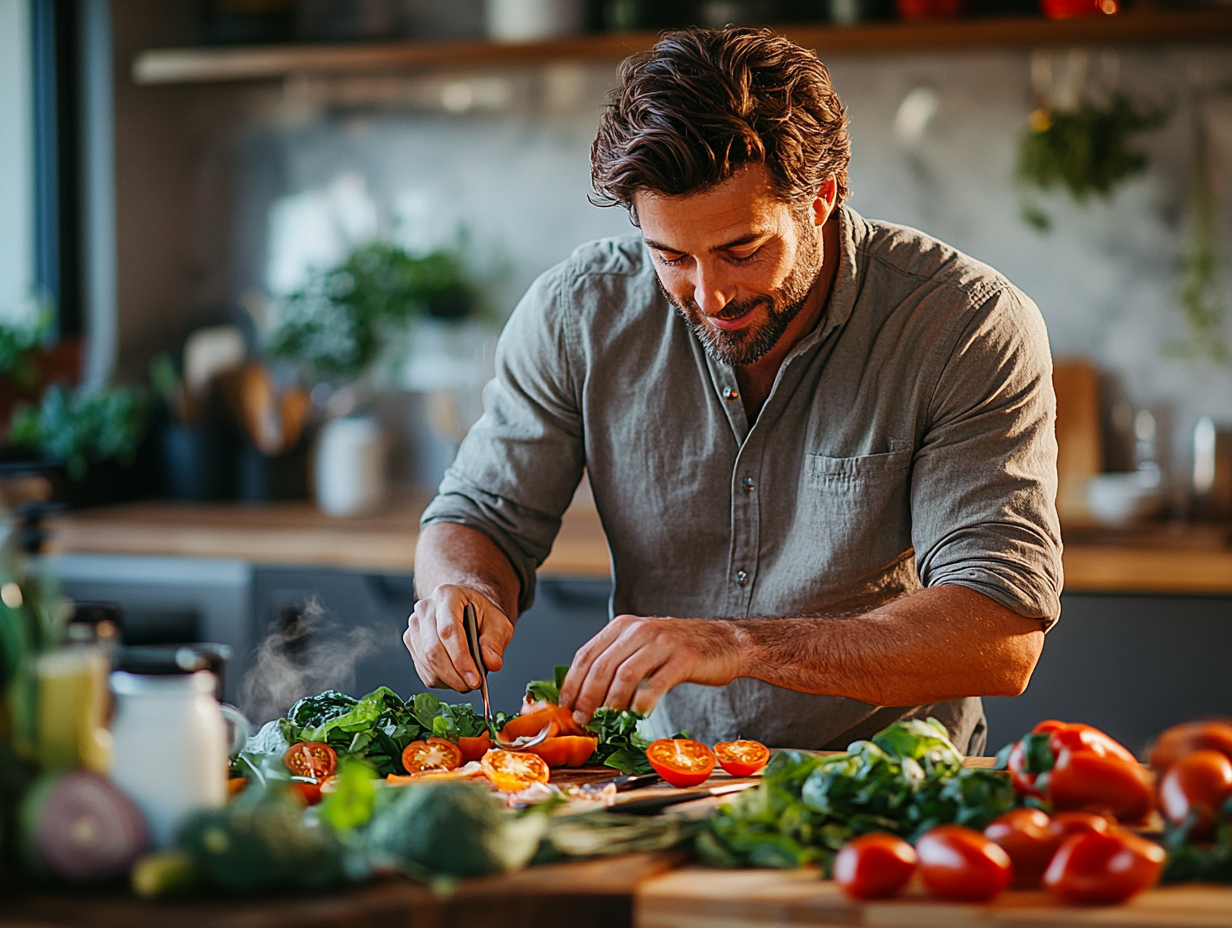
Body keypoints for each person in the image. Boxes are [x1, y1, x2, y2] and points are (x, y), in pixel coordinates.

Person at [404, 27, 1061, 755]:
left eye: (742, 250)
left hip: (885, 789)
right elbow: (482, 513)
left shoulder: (961, 324)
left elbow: (1000, 636)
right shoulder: (576, 314)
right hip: (658, 780)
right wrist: (459, 591)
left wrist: (740, 643)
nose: (710, 294)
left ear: (821, 198)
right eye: (672, 256)